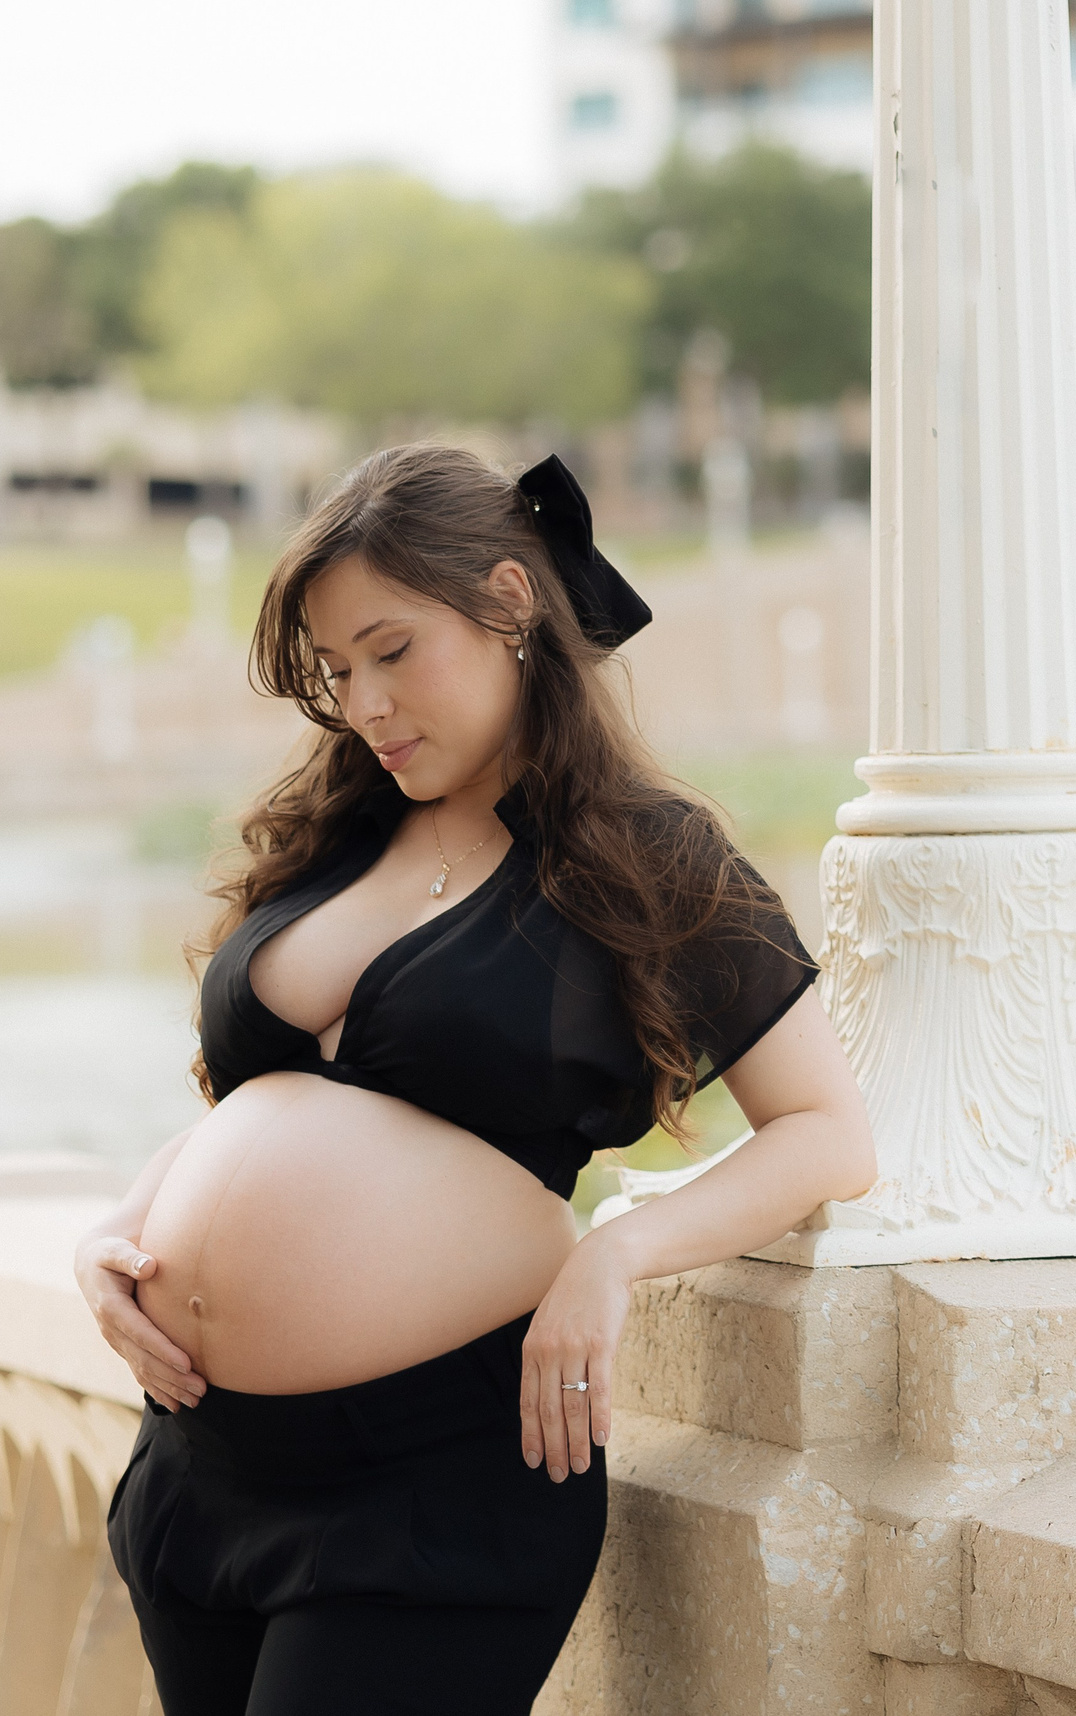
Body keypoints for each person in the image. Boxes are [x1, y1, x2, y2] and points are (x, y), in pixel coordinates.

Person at [73, 442, 877, 1715]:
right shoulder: (336, 832)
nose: (366, 703)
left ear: (508, 603)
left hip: (429, 1486)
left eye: (392, 651)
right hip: (200, 1470)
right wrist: (119, 1231)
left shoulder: (646, 853)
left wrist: (614, 1253)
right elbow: (261, 1108)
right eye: (338, 670)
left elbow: (827, 1131)